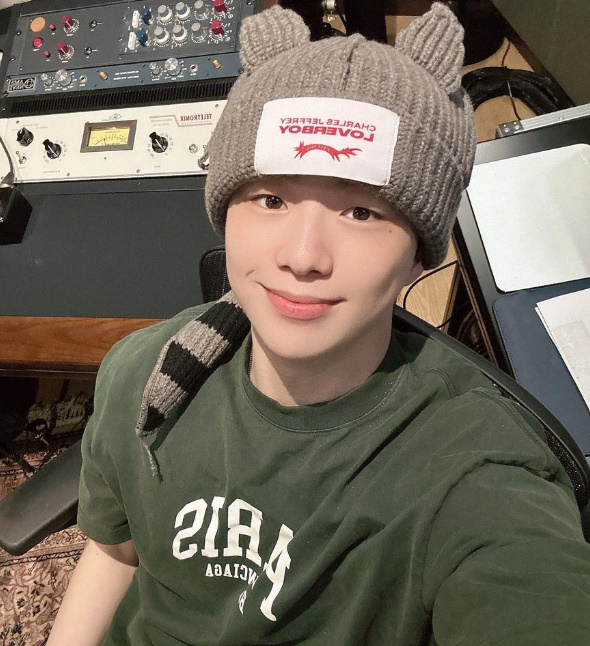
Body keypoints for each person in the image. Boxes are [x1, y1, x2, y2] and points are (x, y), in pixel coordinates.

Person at [47, 4, 590, 645]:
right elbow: (115, 552)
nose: (302, 256)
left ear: (419, 253)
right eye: (271, 199)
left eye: (361, 212)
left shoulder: (473, 471)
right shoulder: (143, 371)